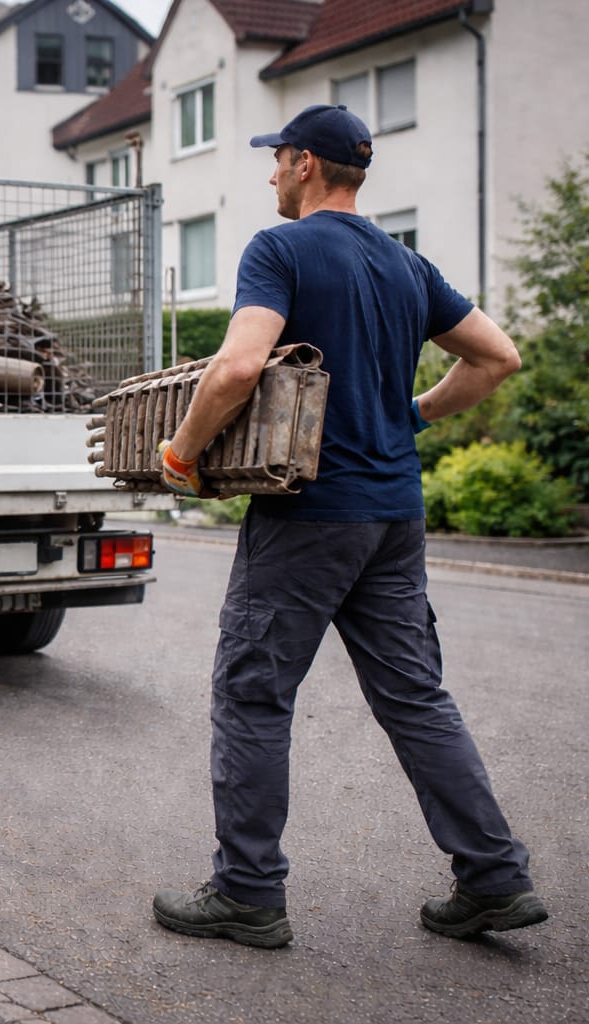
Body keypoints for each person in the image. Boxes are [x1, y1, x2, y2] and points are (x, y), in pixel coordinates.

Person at [150, 104, 546, 949]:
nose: (270, 175)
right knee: (416, 697)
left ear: (303, 164)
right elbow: (498, 357)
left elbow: (240, 364)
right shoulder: (407, 266)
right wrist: (415, 417)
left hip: (307, 515)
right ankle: (494, 878)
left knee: (252, 695)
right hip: (394, 514)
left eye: (277, 160)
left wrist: (182, 455)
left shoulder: (280, 249)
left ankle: (248, 893)